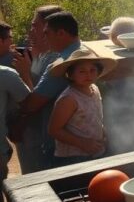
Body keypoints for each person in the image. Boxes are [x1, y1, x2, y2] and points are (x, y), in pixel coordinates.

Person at [11, 11, 84, 171]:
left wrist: (24, 73)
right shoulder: (85, 52)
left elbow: (31, 104)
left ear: (61, 33)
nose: (44, 38)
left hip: (63, 147)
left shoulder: (60, 65)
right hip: (84, 137)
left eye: (47, 33)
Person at [46, 48, 116, 167]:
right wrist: (82, 143)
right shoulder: (68, 99)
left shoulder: (95, 89)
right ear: (71, 74)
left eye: (92, 70)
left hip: (95, 152)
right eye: (82, 71)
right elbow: (54, 130)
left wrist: (103, 132)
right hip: (73, 158)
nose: (88, 74)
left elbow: (94, 117)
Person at [0, 22, 31, 182]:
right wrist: (26, 72)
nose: (12, 43)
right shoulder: (6, 74)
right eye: (10, 39)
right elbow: (29, 102)